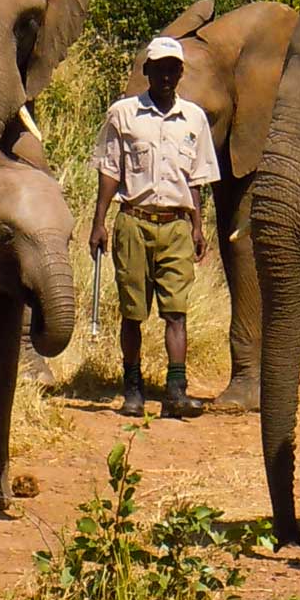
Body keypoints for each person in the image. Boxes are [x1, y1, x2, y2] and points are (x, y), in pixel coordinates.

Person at [89, 37, 220, 419]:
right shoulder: (123, 114)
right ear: (146, 71)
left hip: (177, 226)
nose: (165, 75)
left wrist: (198, 226)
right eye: (158, 67)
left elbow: (195, 179)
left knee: (176, 312)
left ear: (181, 72)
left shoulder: (194, 119)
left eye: (172, 68)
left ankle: (176, 391)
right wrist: (99, 222)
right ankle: (133, 388)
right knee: (133, 312)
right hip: (134, 220)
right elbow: (110, 170)